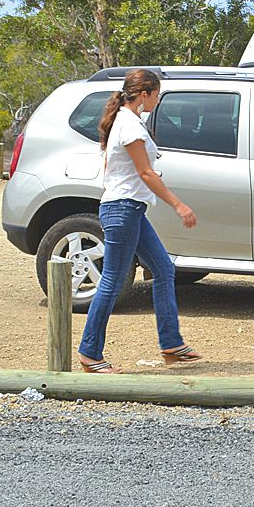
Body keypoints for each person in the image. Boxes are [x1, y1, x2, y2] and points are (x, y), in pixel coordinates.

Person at [76, 68, 202, 372]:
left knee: (163, 268)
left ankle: (171, 344)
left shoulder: (127, 119)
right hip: (122, 209)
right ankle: (90, 353)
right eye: (156, 95)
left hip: (129, 209)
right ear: (143, 94)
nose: (158, 100)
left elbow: (120, 168)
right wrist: (178, 205)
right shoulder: (129, 125)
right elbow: (145, 173)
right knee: (113, 281)